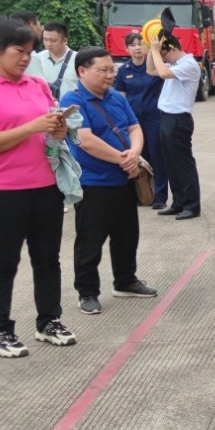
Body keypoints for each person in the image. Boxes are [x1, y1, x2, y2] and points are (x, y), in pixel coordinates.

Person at [0, 21, 76, 357]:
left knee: (47, 259)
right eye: (19, 51)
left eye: (30, 52)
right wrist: (33, 127)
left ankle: (49, 321)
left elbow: (50, 130)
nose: (26, 58)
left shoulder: (37, 85)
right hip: (3, 190)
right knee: (3, 261)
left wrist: (58, 128)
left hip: (45, 186)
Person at [61, 47, 158, 315]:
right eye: (103, 70)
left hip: (124, 180)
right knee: (90, 241)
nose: (110, 75)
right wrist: (123, 159)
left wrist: (134, 153)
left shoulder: (116, 97)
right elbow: (86, 139)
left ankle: (125, 281)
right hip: (93, 183)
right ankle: (87, 292)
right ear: (82, 71)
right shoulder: (72, 101)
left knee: (127, 235)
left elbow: (134, 127)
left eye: (112, 69)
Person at [145, 31, 202, 219]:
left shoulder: (189, 65)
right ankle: (178, 202)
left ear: (172, 49)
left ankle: (192, 205)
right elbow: (151, 70)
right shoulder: (175, 64)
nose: (161, 57)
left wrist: (156, 51)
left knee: (183, 164)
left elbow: (162, 72)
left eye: (162, 53)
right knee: (170, 164)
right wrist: (151, 49)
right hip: (167, 117)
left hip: (178, 119)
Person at [114, 31, 169, 208]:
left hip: (154, 118)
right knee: (137, 157)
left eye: (140, 44)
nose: (137, 48)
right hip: (133, 122)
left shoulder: (153, 67)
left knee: (156, 156)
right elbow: (120, 97)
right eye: (133, 45)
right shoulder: (123, 71)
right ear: (126, 48)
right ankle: (142, 194)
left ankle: (160, 196)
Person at [28, 21, 78, 99]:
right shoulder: (37, 59)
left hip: (71, 109)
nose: (48, 44)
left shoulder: (77, 59)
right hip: (46, 110)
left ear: (65, 41)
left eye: (53, 40)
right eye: (45, 39)